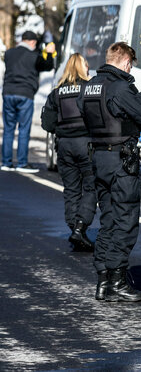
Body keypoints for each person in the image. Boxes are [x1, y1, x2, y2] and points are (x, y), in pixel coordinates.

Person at [77, 42, 141, 303]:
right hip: (121, 161)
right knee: (125, 221)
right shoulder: (121, 87)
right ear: (126, 62)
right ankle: (118, 280)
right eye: (130, 65)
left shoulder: (90, 85)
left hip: (98, 158)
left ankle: (103, 279)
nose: (130, 69)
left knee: (109, 220)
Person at [41, 53, 96, 251]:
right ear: (84, 68)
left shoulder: (56, 93)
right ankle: (81, 227)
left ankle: (75, 229)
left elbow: (47, 124)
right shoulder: (90, 90)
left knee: (71, 190)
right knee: (91, 187)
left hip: (64, 146)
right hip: (87, 144)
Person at [2, 30, 56, 173]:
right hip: (25, 94)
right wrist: (49, 53)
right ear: (32, 42)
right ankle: (22, 163)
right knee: (23, 129)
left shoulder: (9, 53)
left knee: (8, 129)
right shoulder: (34, 55)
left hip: (8, 93)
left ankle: (6, 162)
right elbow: (47, 66)